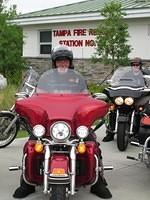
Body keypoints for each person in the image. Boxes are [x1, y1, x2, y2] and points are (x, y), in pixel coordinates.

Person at [13, 45, 112, 199]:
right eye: (59, 61)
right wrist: (27, 102)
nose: (62, 64)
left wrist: (93, 102)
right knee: (31, 146)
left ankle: (98, 182)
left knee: (93, 147)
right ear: (54, 63)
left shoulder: (78, 78)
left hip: (74, 125)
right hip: (48, 125)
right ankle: (26, 184)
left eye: (65, 61)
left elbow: (86, 96)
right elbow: (39, 97)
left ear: (70, 62)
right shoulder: (46, 78)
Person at [102, 57, 150, 142]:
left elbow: (148, 83)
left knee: (142, 111)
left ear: (140, 65)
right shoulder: (127, 74)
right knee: (113, 110)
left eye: (137, 65)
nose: (135, 66)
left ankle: (139, 134)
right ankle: (110, 134)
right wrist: (113, 82)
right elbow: (119, 81)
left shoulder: (145, 73)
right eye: (133, 65)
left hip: (138, 96)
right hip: (126, 96)